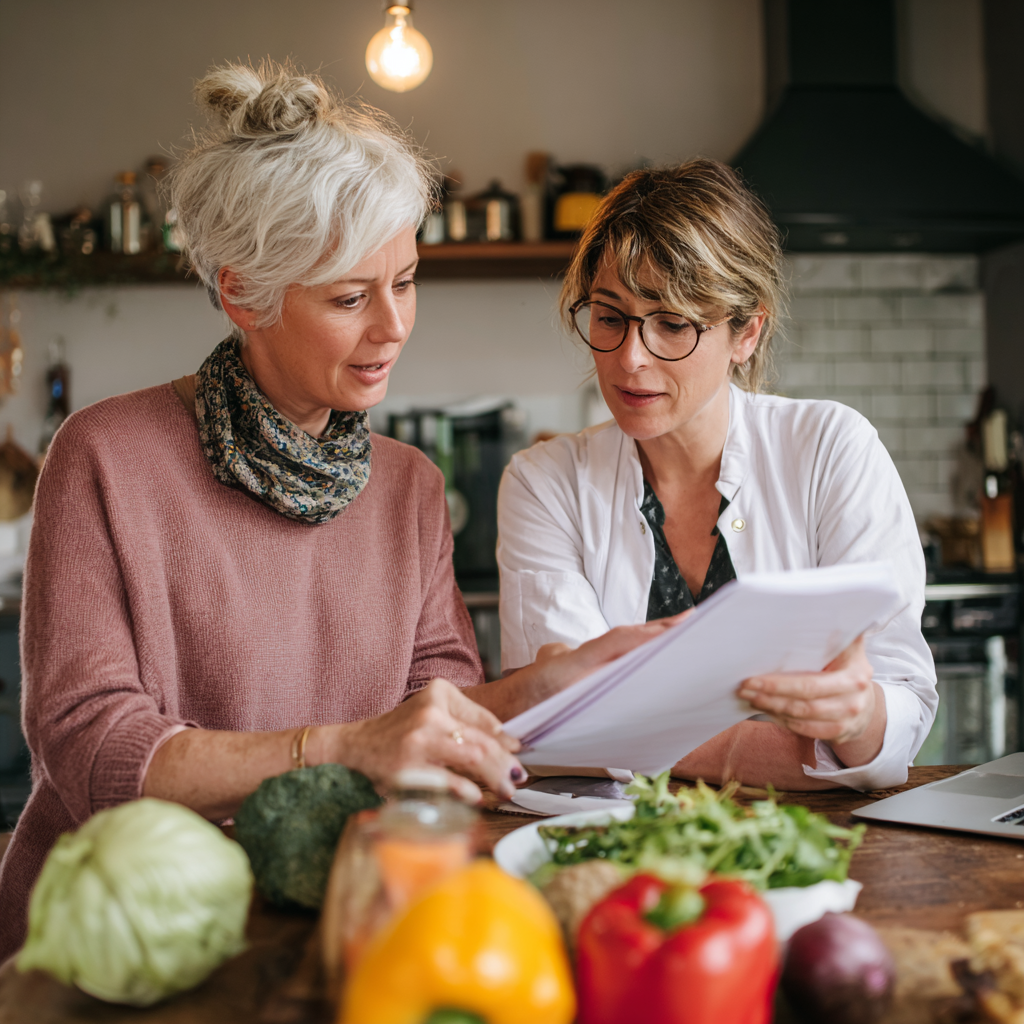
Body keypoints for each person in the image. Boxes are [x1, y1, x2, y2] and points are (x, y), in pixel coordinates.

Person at [0, 63, 666, 959]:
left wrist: (538, 694)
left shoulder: (410, 486)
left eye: (408, 280)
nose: (394, 326)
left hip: (337, 924)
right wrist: (343, 747)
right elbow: (93, 752)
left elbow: (430, 721)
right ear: (243, 293)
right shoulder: (105, 457)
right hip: (122, 940)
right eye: (351, 297)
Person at [497, 159, 937, 793]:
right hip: (619, 854)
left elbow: (898, 725)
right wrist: (806, 753)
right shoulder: (545, 482)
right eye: (610, 316)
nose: (630, 359)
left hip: (812, 850)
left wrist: (858, 716)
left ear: (746, 331)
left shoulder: (831, 449)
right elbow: (556, 731)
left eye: (673, 323)